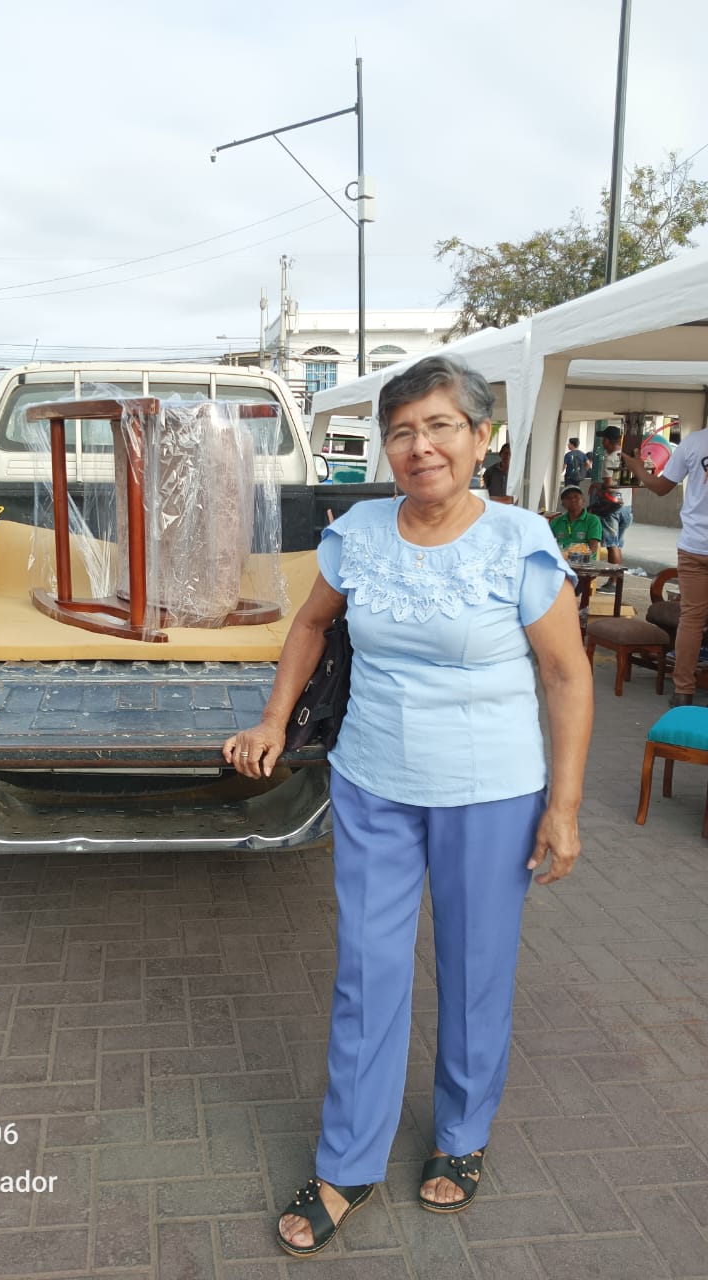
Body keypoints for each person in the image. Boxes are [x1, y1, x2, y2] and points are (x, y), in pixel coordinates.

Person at [222, 355, 592, 1255]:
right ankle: (348, 1161)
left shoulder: (519, 540)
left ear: (480, 438)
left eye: (439, 427)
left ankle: (462, 1135)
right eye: (401, 432)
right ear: (384, 448)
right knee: (368, 971)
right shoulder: (359, 532)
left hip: (491, 793)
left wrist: (566, 805)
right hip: (374, 783)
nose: (420, 447)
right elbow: (311, 624)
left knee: (474, 971)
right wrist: (273, 718)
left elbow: (567, 674)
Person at [622, 431, 708, 706]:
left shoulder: (694, 442)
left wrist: (638, 468)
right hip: (694, 546)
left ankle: (683, 691)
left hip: (695, 545)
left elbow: (660, 487)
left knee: (691, 620)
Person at [589, 425, 632, 590]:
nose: (602, 442)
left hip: (612, 508)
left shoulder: (610, 458)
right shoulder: (627, 457)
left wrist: (597, 486)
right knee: (618, 544)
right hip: (627, 506)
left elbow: (608, 485)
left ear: (607, 440)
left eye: (603, 439)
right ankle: (617, 581)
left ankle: (613, 582)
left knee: (612, 544)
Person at [551, 484, 602, 560]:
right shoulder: (556, 521)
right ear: (563, 504)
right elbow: (544, 541)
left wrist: (572, 556)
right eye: (568, 498)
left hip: (585, 563)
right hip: (562, 562)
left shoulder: (592, 520)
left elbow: (593, 548)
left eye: (576, 496)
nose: (573, 500)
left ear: (583, 500)